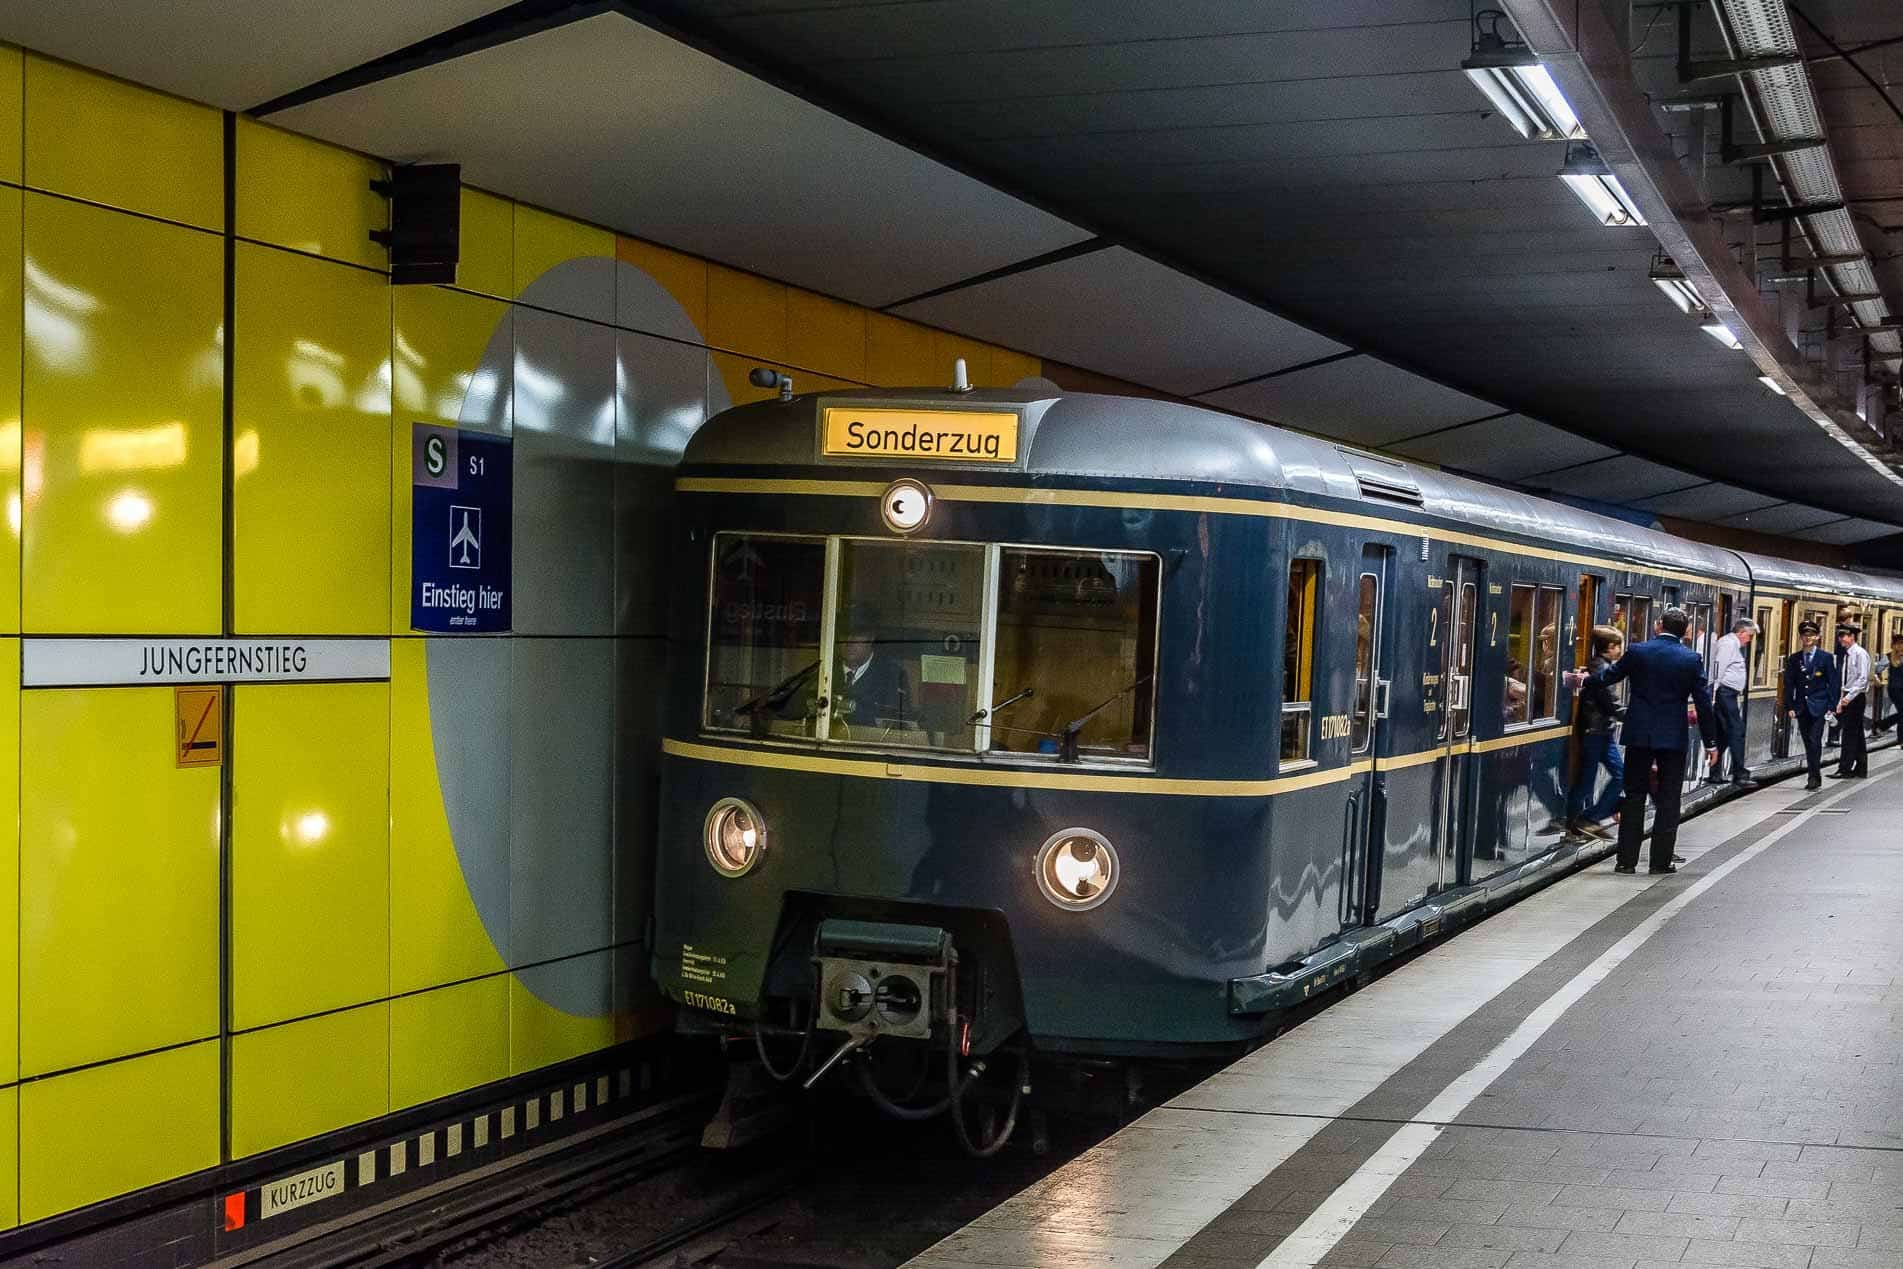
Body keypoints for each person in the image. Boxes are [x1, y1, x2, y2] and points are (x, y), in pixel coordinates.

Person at [1567, 607, 1717, 875]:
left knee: (1634, 796)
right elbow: (1704, 703)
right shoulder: (1691, 659)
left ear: (1659, 626)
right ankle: (1661, 862)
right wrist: (1711, 743)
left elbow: (1608, 677)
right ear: (1684, 632)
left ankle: (1626, 861)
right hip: (1673, 737)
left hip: (1639, 734)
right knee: (1669, 799)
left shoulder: (1638, 651)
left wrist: (1584, 680)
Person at [1565, 625, 1626, 839]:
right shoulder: (1601, 669)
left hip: (1601, 731)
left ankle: (1587, 819)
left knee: (1613, 776)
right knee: (1588, 781)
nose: (1621, 651)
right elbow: (1609, 701)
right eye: (1619, 646)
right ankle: (1579, 822)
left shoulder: (1601, 666)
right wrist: (1629, 716)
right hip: (1595, 732)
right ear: (1611, 647)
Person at [1785, 620, 1838, 789]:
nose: (1807, 638)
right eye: (1804, 635)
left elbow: (1834, 683)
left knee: (1815, 740)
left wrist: (1831, 706)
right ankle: (1813, 773)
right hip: (1801, 707)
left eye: (1811, 635)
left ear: (1817, 637)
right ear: (1800, 637)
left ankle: (1814, 777)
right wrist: (1790, 706)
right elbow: (1789, 684)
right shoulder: (1794, 659)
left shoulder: (1826, 658)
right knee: (1808, 741)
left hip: (1819, 706)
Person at [835, 611, 912, 728]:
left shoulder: (893, 675)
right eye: (844, 634)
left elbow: (896, 724)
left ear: (871, 637)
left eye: (857, 635)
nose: (849, 641)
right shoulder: (823, 670)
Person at [1709, 617, 1758, 789]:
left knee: (1723, 735)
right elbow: (1718, 669)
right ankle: (1739, 774)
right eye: (1749, 636)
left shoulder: (1731, 644)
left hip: (1728, 694)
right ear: (1742, 632)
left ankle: (1715, 772)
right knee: (1736, 731)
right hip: (1724, 694)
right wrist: (1714, 695)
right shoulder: (1728, 644)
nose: (1749, 640)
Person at [1830, 622, 1870, 779]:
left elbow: (1862, 679)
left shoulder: (1860, 654)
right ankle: (1861, 767)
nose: (1841, 639)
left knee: (1849, 734)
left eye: (1843, 636)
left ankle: (1845, 769)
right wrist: (1842, 699)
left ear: (1852, 636)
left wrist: (1847, 698)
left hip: (1855, 697)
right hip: (1849, 696)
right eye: (1840, 636)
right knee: (1857, 734)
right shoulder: (1848, 654)